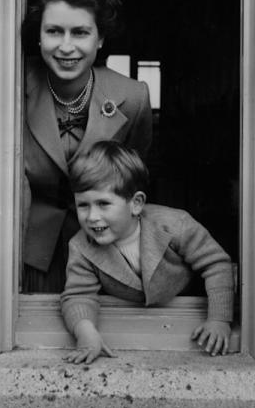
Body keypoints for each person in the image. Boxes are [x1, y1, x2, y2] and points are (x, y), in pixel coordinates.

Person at [22, 0, 153, 293]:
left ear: (100, 39)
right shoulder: (13, 85)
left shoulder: (134, 97)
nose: (66, 46)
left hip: (105, 254)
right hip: (29, 254)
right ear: (39, 36)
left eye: (80, 33)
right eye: (54, 31)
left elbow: (133, 177)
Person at [60, 141, 234, 364]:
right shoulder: (81, 246)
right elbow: (78, 295)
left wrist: (219, 320)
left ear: (136, 204)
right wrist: (86, 333)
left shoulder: (175, 224)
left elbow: (216, 264)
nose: (92, 216)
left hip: (185, 315)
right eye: (83, 205)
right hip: (133, 323)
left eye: (103, 203)